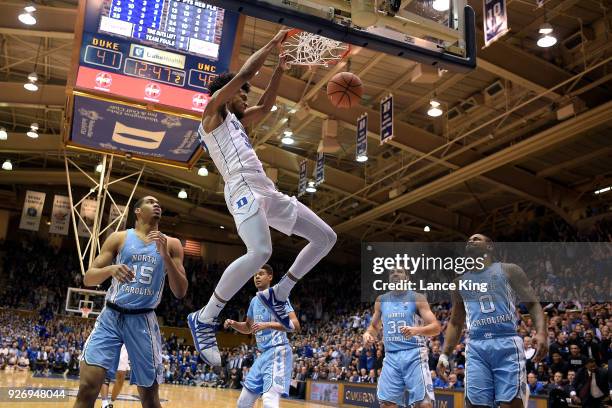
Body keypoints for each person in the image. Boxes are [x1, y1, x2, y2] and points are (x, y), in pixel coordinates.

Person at [188, 28, 336, 366]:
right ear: (227, 93)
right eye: (242, 93)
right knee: (261, 251)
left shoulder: (239, 122)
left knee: (326, 237)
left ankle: (281, 291)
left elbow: (267, 105)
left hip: (266, 189)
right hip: (241, 188)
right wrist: (272, 44)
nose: (246, 96)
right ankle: (205, 317)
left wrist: (282, 68)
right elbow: (244, 74)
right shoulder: (212, 113)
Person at [73, 196, 188, 408]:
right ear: (137, 211)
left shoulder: (171, 244)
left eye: (159, 203)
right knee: (88, 388)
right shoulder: (119, 238)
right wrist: (110, 269)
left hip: (142, 320)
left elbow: (180, 291)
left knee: (149, 398)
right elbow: (88, 278)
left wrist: (166, 257)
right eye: (151, 202)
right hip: (111, 317)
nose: (157, 204)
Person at [438, 233, 548, 408]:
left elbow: (533, 304)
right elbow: (455, 322)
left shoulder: (509, 270)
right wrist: (444, 354)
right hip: (476, 346)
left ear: (489, 246)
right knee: (475, 405)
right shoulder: (459, 282)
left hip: (506, 342)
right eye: (469, 239)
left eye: (477, 238)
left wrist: (542, 333)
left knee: (510, 404)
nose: (471, 240)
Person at [363, 268, 441, 408]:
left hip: (415, 354)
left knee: (423, 404)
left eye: (399, 271)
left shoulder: (417, 298)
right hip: (391, 356)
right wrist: (367, 334)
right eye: (392, 272)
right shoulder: (381, 300)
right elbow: (374, 327)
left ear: (407, 277)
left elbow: (436, 327)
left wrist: (417, 330)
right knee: (386, 404)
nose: (395, 274)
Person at [224, 264, 300, 408]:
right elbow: (248, 328)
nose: (257, 277)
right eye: (255, 275)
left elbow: (295, 325)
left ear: (270, 277)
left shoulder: (279, 296)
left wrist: (268, 325)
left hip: (278, 351)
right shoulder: (254, 301)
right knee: (243, 402)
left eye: (261, 274)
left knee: (269, 399)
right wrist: (233, 323)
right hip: (262, 355)